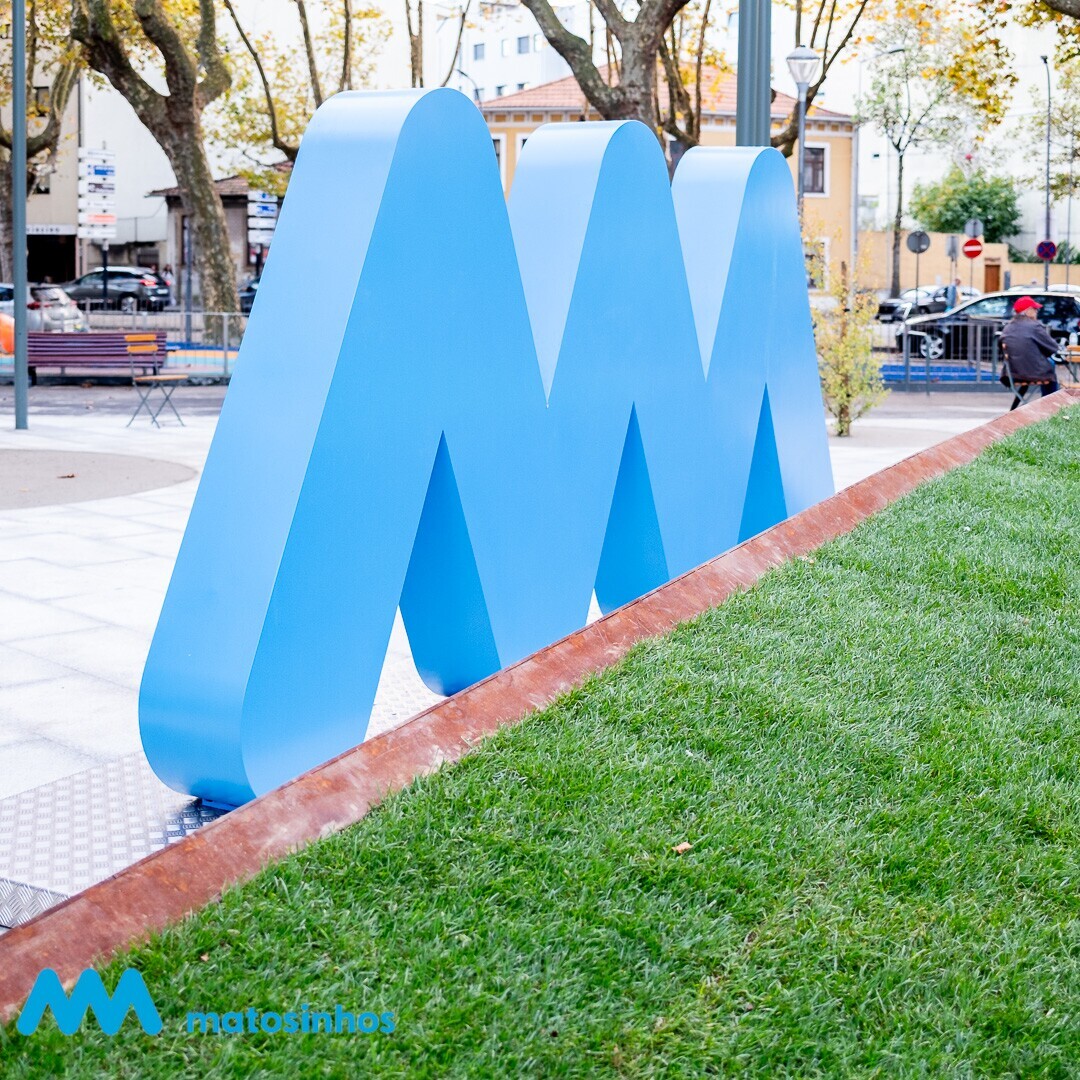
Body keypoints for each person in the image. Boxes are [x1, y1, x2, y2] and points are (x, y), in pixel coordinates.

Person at [1000, 296, 1060, 410]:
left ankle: (1047, 404)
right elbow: (1053, 347)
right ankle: (1051, 406)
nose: (1037, 312)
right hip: (1032, 372)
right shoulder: (1034, 326)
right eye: (1035, 309)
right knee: (1051, 365)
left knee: (1048, 363)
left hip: (1012, 373)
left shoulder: (1008, 327)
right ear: (1028, 311)